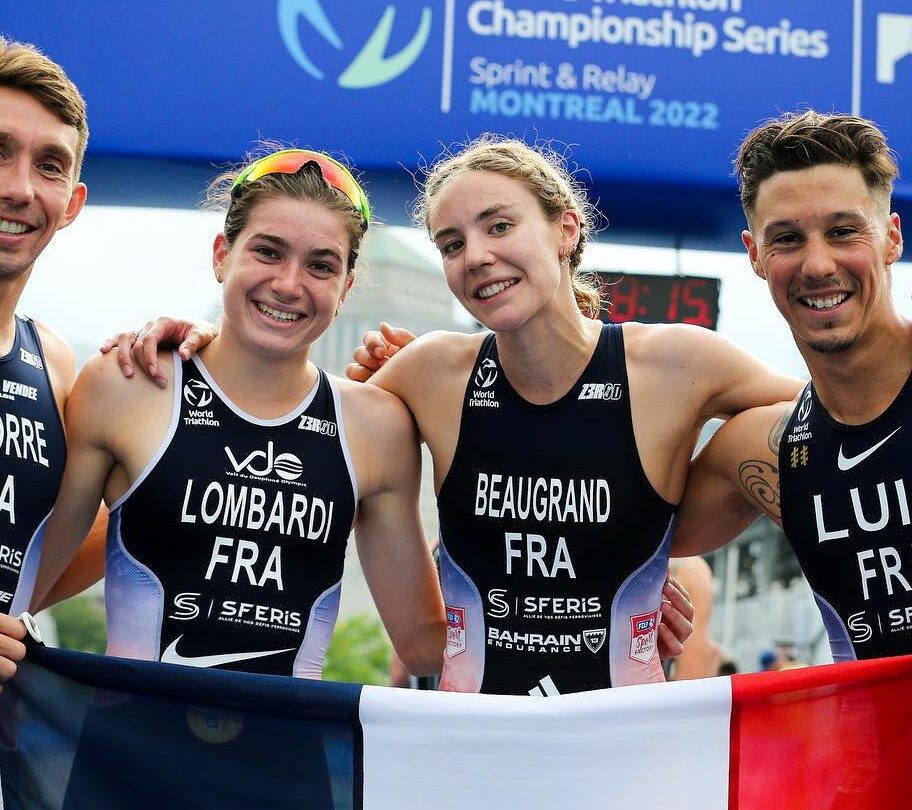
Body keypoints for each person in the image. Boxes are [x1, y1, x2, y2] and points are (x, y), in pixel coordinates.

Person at [339, 135, 800, 695]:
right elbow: (293, 417)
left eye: (500, 226)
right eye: (451, 243)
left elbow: (847, 421)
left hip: (620, 749)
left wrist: (656, 561)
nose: (477, 256)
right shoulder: (429, 371)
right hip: (472, 749)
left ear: (566, 230)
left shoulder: (677, 363)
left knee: (775, 433)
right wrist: (208, 349)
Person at [7, 146, 445, 680]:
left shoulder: (378, 426)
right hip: (125, 756)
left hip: (285, 761)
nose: (288, 283)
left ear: (346, 288)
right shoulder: (128, 383)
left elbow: (428, 650)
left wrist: (451, 414)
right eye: (267, 252)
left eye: (321, 266)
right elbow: (22, 585)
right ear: (221, 255)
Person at [671, 111, 908, 664]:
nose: (818, 263)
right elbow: (615, 542)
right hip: (874, 747)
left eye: (844, 231)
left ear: (891, 237)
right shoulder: (762, 449)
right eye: (788, 239)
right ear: (755, 254)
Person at [0, 37, 111, 681]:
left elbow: (37, 575)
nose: (19, 189)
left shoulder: (55, 363)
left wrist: (188, 382)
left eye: (49, 165)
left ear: (72, 202)